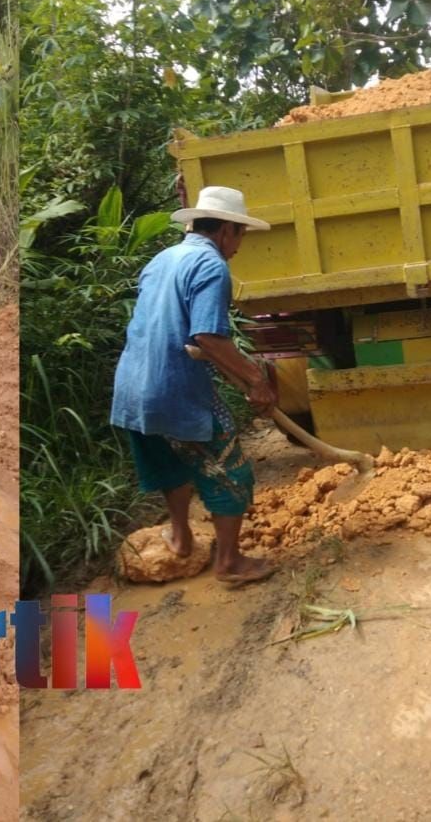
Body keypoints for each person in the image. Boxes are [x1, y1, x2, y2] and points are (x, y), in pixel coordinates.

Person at [110, 185, 280, 583]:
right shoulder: (212, 266)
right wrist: (256, 379)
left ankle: (181, 537)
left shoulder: (162, 259)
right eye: (240, 235)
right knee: (230, 470)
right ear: (226, 231)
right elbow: (207, 337)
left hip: (133, 387)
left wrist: (241, 378)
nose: (238, 246)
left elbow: (184, 337)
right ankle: (229, 563)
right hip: (174, 389)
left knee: (171, 463)